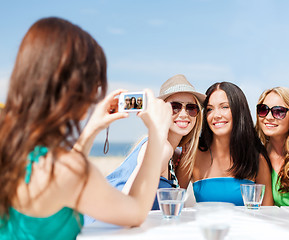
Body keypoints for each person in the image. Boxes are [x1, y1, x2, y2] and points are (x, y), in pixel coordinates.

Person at [0, 17, 173, 239]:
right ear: (77, 87)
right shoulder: (67, 171)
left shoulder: (13, 148)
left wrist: (90, 130)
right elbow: (136, 211)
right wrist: (157, 134)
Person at [83, 74, 204, 224]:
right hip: (106, 228)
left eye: (191, 108)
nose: (184, 114)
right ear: (160, 110)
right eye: (175, 107)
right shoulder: (162, 149)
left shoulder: (171, 153)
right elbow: (126, 206)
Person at [192, 82, 273, 206]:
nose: (216, 115)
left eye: (224, 107)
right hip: (206, 225)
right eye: (209, 109)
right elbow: (173, 197)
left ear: (239, 110)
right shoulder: (193, 156)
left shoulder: (257, 159)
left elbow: (268, 213)